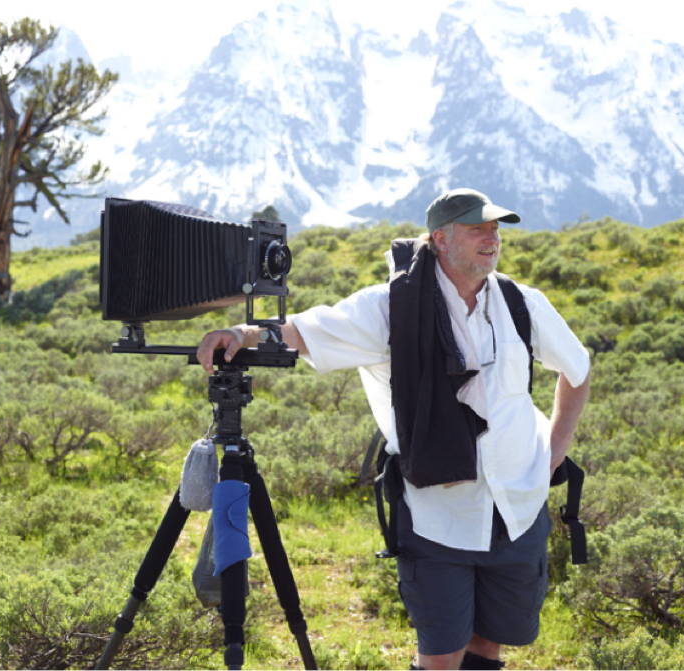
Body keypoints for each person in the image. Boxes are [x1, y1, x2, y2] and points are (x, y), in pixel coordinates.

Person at [196, 188, 591, 671]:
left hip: (518, 509)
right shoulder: (389, 308)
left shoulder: (520, 302)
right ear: (440, 240)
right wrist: (243, 334)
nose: (492, 238)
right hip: (438, 516)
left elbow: (578, 368)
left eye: (496, 228)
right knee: (441, 658)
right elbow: (305, 330)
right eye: (477, 228)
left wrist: (554, 450)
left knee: (489, 647)